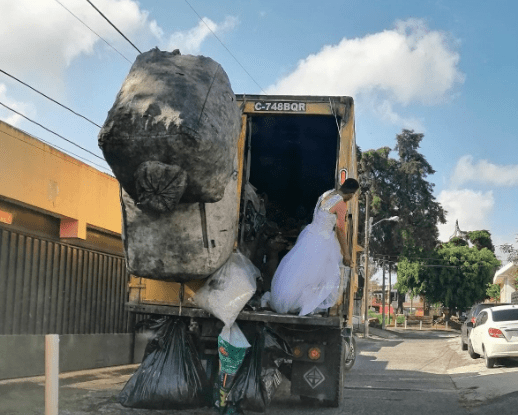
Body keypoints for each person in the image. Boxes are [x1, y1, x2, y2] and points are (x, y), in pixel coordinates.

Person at [269, 178, 360, 316]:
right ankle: (302, 304)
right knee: (322, 275)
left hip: (310, 235)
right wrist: (346, 254)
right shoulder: (341, 204)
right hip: (322, 241)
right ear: (352, 194)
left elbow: (323, 214)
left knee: (300, 271)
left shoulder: (328, 194)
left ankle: (289, 300)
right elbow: (340, 230)